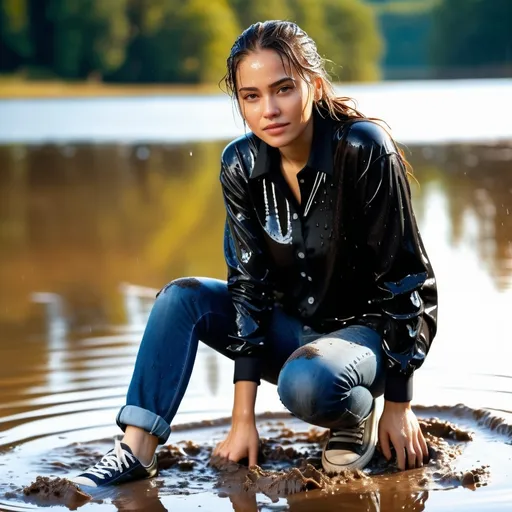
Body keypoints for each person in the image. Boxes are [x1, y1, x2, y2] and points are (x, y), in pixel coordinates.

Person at [72, 20, 437, 488]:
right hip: (291, 331)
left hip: (368, 339)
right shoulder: (240, 164)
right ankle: (136, 449)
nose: (269, 110)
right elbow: (249, 286)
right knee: (179, 298)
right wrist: (242, 419)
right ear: (240, 102)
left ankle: (355, 415)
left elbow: (405, 280)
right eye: (251, 96)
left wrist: (399, 405)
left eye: (283, 89)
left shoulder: (363, 148)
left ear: (315, 85)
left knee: (305, 383)